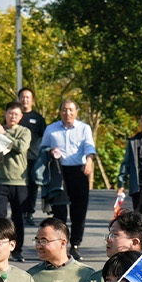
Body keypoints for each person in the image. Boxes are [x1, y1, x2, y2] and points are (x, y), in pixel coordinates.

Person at [41, 100, 97, 253]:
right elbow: (43, 147)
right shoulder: (51, 129)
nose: (68, 113)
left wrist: (89, 160)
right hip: (58, 172)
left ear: (76, 111)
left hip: (79, 171)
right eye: (64, 110)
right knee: (59, 212)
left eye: (71, 110)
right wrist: (50, 151)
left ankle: (75, 244)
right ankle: (60, 244)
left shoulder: (84, 128)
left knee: (79, 211)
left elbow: (89, 146)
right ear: (60, 112)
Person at [0, 104, 35, 256]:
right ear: (5, 114)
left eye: (16, 114)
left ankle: (17, 250)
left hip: (19, 181)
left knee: (18, 218)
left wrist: (4, 135)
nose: (13, 116)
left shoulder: (25, 131)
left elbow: (21, 147)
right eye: (10, 113)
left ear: (21, 116)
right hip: (0, 180)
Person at [18, 88, 49, 229]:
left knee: (32, 188)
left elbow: (45, 137)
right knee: (18, 188)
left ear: (32, 100)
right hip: (17, 159)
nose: (25, 100)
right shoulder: (14, 115)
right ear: (19, 99)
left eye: (28, 97)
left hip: (33, 158)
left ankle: (29, 213)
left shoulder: (38, 118)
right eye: (22, 97)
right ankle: (18, 212)